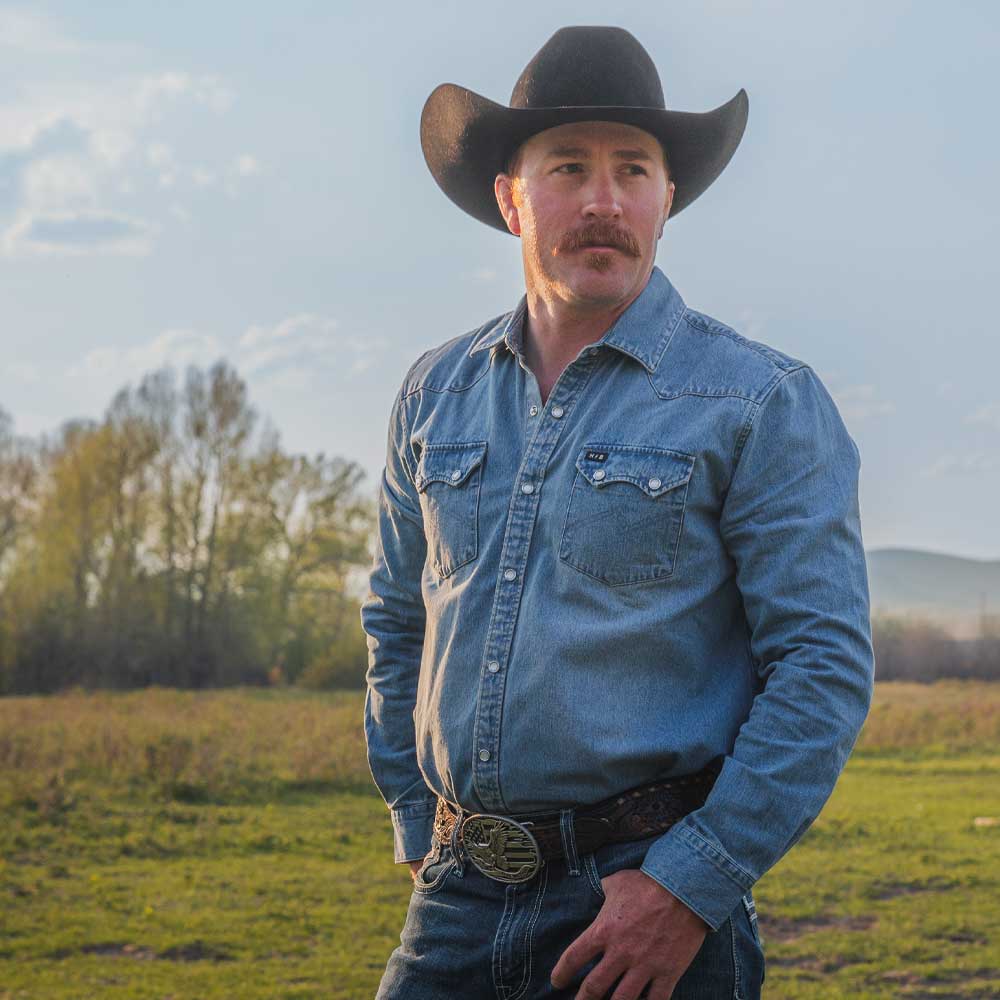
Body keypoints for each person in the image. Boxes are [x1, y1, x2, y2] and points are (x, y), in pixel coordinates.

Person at [361, 24, 874, 1000]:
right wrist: (414, 821)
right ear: (510, 198)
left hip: (645, 904)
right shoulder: (434, 394)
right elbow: (395, 620)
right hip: (455, 901)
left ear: (665, 199)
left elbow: (821, 664)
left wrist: (689, 886)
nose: (604, 200)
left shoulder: (758, 400)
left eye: (632, 169)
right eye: (568, 167)